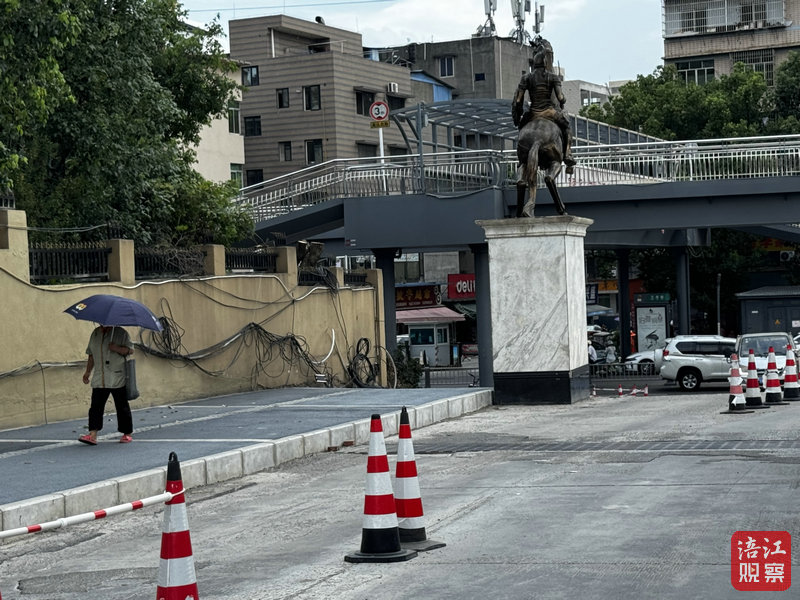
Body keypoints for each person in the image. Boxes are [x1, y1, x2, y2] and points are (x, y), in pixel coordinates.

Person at [511, 37, 576, 173]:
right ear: (546, 62)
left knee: (522, 129)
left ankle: (521, 158)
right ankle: (568, 154)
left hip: (532, 114)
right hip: (549, 112)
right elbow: (560, 97)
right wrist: (563, 99)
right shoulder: (552, 77)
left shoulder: (526, 77)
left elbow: (518, 100)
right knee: (566, 126)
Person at [78, 325, 135, 445]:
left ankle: (127, 433)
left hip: (116, 376)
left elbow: (130, 350)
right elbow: (91, 354)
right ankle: (92, 434)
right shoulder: (95, 333)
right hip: (100, 377)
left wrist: (116, 348)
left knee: (122, 405)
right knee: (95, 406)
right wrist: (88, 372)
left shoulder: (121, 333)